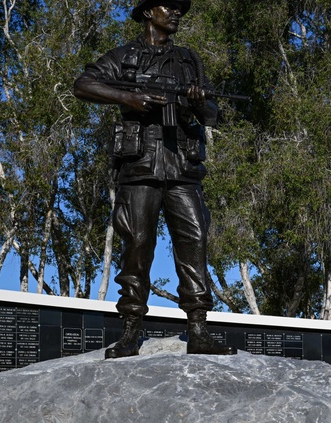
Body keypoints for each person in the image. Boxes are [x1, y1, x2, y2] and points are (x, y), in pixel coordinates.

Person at [73, 0, 235, 358]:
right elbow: (83, 85)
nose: (176, 13)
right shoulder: (124, 57)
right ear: (149, 12)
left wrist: (195, 103)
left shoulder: (189, 60)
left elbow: (212, 113)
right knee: (137, 244)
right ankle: (130, 331)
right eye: (168, 6)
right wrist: (128, 98)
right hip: (140, 165)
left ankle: (198, 329)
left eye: (180, 8)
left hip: (182, 166)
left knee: (195, 237)